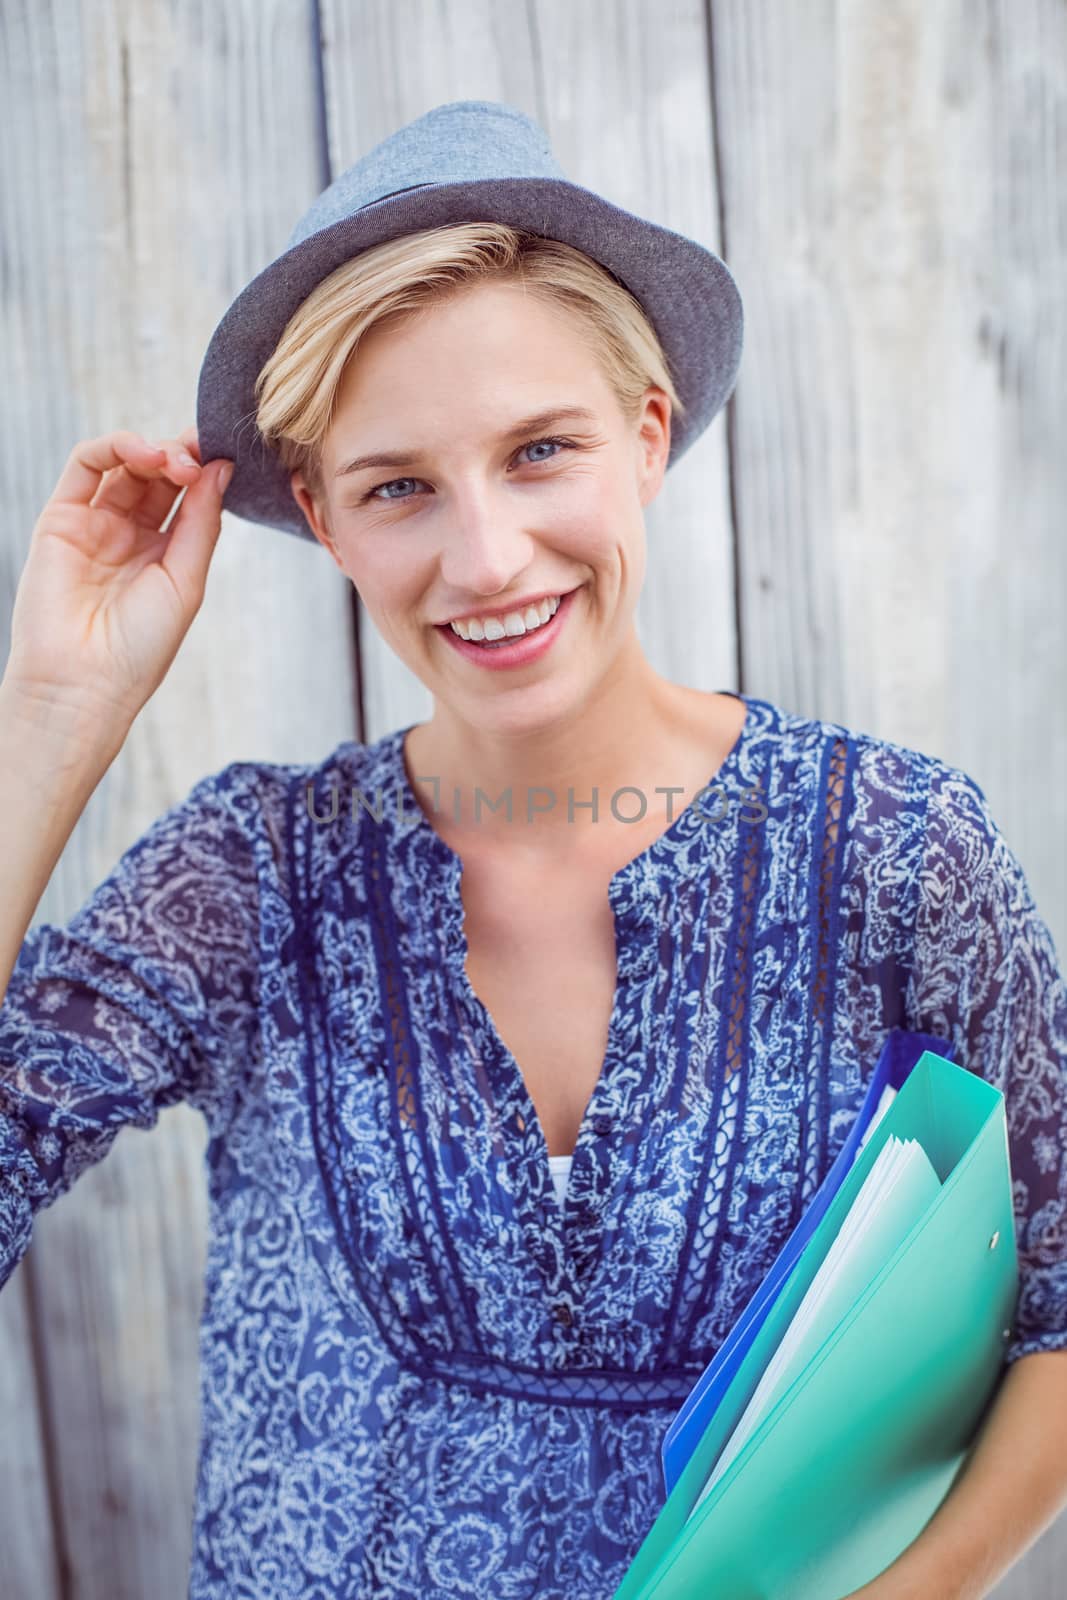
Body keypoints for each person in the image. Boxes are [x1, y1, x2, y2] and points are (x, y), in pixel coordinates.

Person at [1, 100, 1066, 1600]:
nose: (488, 556)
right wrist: (51, 718)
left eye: (540, 449)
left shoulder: (899, 852)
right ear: (322, 517)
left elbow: (1060, 1293)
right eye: (399, 487)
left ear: (645, 435)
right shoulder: (253, 875)